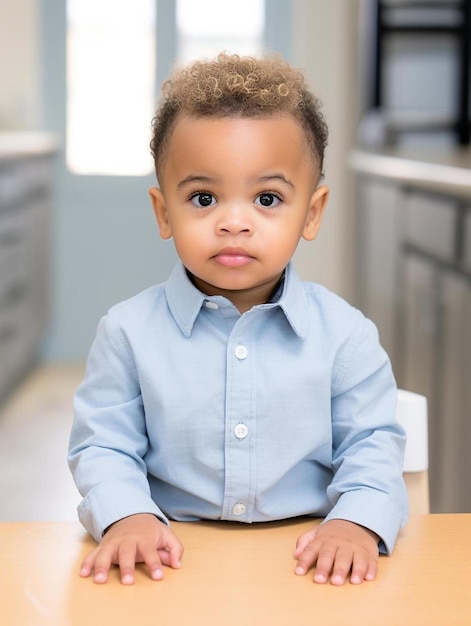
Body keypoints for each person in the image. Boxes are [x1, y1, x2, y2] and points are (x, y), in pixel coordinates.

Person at [68, 52, 408, 587]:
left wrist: (355, 523)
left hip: (308, 566)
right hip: (170, 564)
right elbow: (103, 446)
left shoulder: (346, 336)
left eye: (267, 198)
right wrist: (125, 514)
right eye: (203, 198)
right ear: (163, 212)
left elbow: (373, 446)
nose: (233, 222)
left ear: (312, 213)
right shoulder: (127, 332)